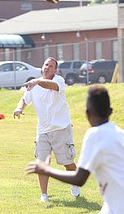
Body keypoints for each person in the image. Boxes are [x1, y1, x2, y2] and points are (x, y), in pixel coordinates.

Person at [26, 84, 124, 214]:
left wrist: (47, 170)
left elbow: (80, 178)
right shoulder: (122, 134)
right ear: (110, 112)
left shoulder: (94, 135)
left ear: (87, 113)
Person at [13, 57, 80, 202]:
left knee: (67, 162)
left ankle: (75, 183)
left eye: (51, 66)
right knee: (42, 163)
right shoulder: (34, 85)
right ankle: (44, 195)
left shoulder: (59, 81)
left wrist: (36, 82)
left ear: (55, 70)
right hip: (42, 131)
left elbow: (51, 86)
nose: (47, 67)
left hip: (61, 128)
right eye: (45, 65)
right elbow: (25, 99)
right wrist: (19, 108)